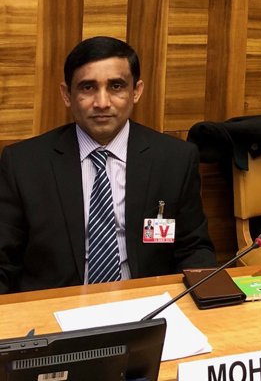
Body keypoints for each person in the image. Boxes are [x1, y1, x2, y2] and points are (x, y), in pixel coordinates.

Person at [0, 36, 216, 293]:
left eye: (116, 86)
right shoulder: (23, 164)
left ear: (136, 91)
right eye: (88, 88)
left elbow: (193, 248)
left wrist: (203, 304)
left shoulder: (174, 159)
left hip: (147, 305)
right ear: (67, 95)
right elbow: (4, 262)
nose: (102, 103)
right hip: (55, 310)